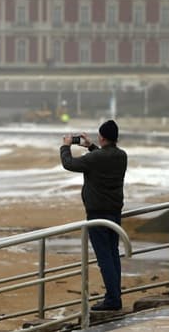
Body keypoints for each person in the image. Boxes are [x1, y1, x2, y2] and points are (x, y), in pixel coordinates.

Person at [60, 119, 128, 311]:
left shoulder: (96, 159)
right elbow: (102, 156)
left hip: (98, 214)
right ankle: (115, 297)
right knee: (113, 254)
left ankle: (113, 300)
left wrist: (65, 146)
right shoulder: (121, 155)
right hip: (114, 212)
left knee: (104, 257)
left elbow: (69, 164)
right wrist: (90, 146)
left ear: (102, 137)